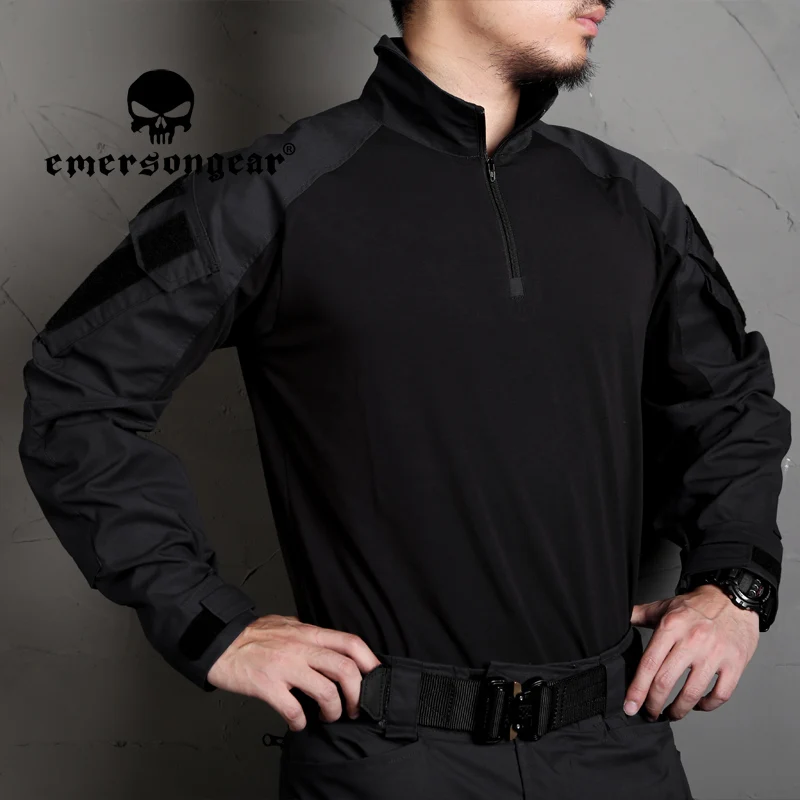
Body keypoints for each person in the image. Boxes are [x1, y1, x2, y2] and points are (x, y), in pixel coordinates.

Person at [19, 1, 791, 798]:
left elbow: (730, 407)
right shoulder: (272, 193)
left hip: (618, 746)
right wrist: (209, 622)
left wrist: (737, 587)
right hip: (388, 761)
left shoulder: (632, 199)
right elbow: (77, 391)